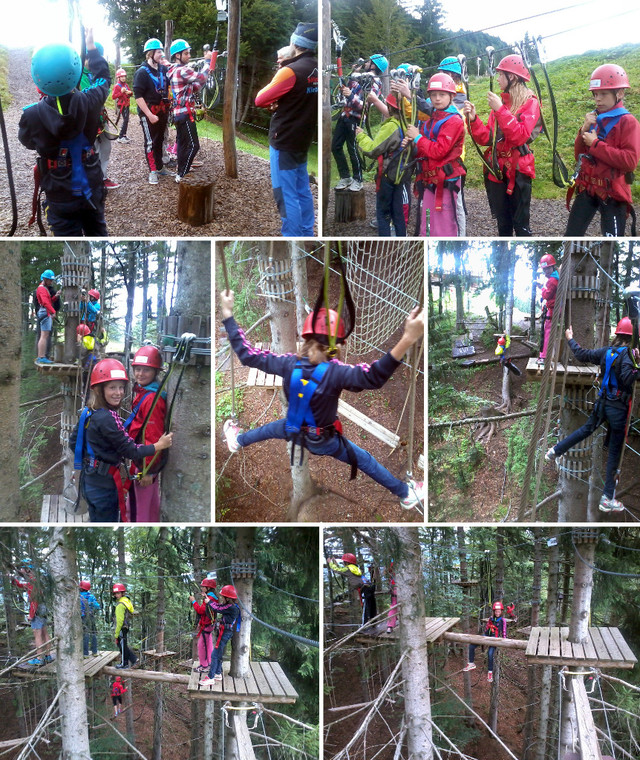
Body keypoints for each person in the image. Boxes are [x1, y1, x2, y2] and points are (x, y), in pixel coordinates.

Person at [220, 290, 424, 510]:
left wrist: (228, 314)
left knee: (268, 430)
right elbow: (373, 376)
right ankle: (405, 493)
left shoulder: (287, 363)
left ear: (306, 336)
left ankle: (237, 440)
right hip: (323, 441)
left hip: (293, 428)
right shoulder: (337, 373)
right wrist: (408, 338)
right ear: (335, 346)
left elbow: (247, 354)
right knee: (364, 460)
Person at [19, 29, 111, 235]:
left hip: (59, 191)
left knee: (67, 237)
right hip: (91, 184)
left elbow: (27, 141)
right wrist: (91, 48)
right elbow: (104, 78)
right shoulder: (91, 100)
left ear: (38, 78)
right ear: (76, 71)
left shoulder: (31, 116)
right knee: (97, 230)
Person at [545, 319, 640, 513]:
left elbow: (582, 355)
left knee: (586, 429)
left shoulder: (607, 351)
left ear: (618, 334)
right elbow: (627, 377)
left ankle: (556, 450)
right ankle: (607, 498)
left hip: (602, 403)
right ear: (633, 339)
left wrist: (571, 339)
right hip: (618, 409)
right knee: (615, 451)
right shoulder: (629, 355)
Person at [69, 358, 173, 522]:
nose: (118, 392)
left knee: (96, 518)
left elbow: (73, 443)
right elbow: (131, 451)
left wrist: (95, 455)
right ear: (99, 389)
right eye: (112, 388)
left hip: (89, 480)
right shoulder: (107, 418)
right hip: (104, 485)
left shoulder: (88, 412)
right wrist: (159, 445)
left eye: (121, 387)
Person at [463, 54, 540, 237]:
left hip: (518, 170)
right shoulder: (502, 103)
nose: (497, 79)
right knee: (503, 224)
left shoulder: (531, 103)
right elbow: (488, 138)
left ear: (511, 77)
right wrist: (473, 119)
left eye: (500, 75)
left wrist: (499, 110)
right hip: (497, 170)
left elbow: (520, 136)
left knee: (521, 225)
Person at [255, 22, 318, 236]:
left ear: (295, 43)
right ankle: (307, 232)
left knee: (285, 193)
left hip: (284, 140)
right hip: (303, 138)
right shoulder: (316, 67)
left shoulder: (290, 71)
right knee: (302, 189)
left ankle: (292, 236)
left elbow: (260, 99)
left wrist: (275, 96)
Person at [565, 64, 640, 237]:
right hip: (588, 187)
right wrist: (583, 130)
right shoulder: (594, 118)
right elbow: (579, 156)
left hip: (613, 192)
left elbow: (630, 162)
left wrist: (596, 145)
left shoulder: (628, 123)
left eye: (604, 94)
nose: (598, 99)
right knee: (571, 236)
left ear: (619, 93)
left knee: (611, 241)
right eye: (595, 94)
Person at [402, 73, 466, 236]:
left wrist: (417, 137)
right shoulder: (433, 118)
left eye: (442, 95)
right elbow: (424, 146)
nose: (437, 99)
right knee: (427, 224)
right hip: (430, 178)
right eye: (433, 95)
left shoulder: (454, 121)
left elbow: (439, 151)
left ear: (451, 96)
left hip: (445, 180)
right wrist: (411, 144)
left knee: (445, 224)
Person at [355, 93, 409, 237]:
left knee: (383, 213)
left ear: (390, 108)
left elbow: (372, 149)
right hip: (400, 173)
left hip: (387, 174)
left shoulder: (391, 126)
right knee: (398, 213)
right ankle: (401, 239)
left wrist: (361, 135)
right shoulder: (405, 123)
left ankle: (386, 238)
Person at [125, 346, 168, 522]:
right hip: (143, 456)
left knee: (137, 510)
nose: (141, 374)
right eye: (138, 369)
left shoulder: (151, 398)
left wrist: (147, 470)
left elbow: (152, 434)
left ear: (155, 371)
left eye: (146, 370)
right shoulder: (145, 391)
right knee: (150, 505)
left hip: (145, 461)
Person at [332, 54, 387, 192]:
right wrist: (353, 74)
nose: (366, 63)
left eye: (369, 61)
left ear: (373, 65)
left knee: (352, 149)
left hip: (355, 118)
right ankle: (345, 176)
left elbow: (365, 106)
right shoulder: (361, 76)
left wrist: (350, 95)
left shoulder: (375, 82)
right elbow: (351, 90)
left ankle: (358, 179)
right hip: (345, 115)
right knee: (336, 146)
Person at [168, 39, 212, 182]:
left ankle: (180, 173)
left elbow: (195, 86)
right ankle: (183, 173)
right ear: (177, 56)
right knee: (194, 145)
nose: (189, 56)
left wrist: (205, 73)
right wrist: (207, 62)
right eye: (186, 53)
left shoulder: (175, 70)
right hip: (185, 114)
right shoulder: (182, 70)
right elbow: (200, 77)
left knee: (182, 145)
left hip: (179, 114)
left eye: (189, 53)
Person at [133, 38, 172, 185]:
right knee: (150, 142)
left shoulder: (163, 69)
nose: (161, 54)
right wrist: (149, 115)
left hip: (162, 111)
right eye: (158, 51)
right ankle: (153, 171)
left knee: (159, 140)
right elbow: (138, 97)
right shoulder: (141, 73)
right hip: (148, 113)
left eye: (161, 51)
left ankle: (160, 167)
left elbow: (172, 83)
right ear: (150, 54)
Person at [12, 560, 52, 666]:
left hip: (37, 609)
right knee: (44, 632)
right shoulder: (36, 580)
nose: (20, 570)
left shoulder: (33, 582)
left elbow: (34, 600)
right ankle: (48, 656)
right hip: (43, 608)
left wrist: (31, 615)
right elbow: (23, 586)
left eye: (22, 568)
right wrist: (13, 580)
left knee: (37, 633)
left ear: (28, 570)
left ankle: (39, 659)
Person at [199, 585, 241, 686]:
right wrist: (207, 599)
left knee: (215, 654)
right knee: (219, 653)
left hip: (225, 632)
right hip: (225, 631)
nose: (222, 598)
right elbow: (219, 607)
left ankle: (211, 677)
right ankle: (218, 673)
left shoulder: (231, 607)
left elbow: (217, 608)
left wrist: (208, 602)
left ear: (228, 598)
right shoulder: (232, 607)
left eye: (223, 597)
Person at [463, 600, 508, 683]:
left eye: (499, 611)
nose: (497, 612)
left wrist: (504, 639)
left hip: (495, 639)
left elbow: (504, 631)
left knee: (490, 654)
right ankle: (471, 663)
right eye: (496, 611)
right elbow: (487, 628)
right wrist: (484, 637)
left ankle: (490, 672)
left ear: (501, 611)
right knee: (472, 645)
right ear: (494, 611)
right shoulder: (491, 619)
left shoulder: (503, 621)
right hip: (487, 635)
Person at [189, 576, 218, 672]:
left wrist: (193, 601)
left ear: (208, 588)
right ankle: (208, 663)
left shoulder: (209, 598)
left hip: (207, 625)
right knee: (208, 644)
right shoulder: (211, 597)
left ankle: (205, 666)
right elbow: (206, 613)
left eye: (203, 586)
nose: (201, 588)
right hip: (207, 624)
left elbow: (201, 611)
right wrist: (200, 623)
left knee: (202, 645)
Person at [536, 254, 559, 364]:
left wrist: (542, 288)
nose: (546, 272)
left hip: (553, 308)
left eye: (548, 269)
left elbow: (547, 295)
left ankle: (544, 357)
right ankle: (545, 355)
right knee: (547, 331)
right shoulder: (555, 278)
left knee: (547, 332)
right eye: (544, 270)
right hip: (553, 307)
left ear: (552, 267)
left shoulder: (552, 280)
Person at [35, 269, 61, 364]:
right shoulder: (41, 288)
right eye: (50, 280)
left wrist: (56, 296)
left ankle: (41, 356)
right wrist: (53, 311)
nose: (51, 282)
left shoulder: (44, 288)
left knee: (44, 336)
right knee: (44, 336)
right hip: (45, 311)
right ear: (45, 279)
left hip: (45, 311)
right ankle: (41, 356)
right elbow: (45, 303)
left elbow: (48, 300)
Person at [113, 583, 137, 669]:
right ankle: (132, 660)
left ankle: (125, 663)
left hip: (122, 627)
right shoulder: (127, 602)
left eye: (118, 593)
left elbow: (119, 621)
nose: (116, 595)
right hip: (126, 627)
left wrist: (116, 633)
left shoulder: (120, 605)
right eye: (115, 593)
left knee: (122, 646)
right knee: (124, 645)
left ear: (122, 593)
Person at [79, 580, 100, 656]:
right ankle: (94, 652)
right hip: (91, 616)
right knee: (93, 633)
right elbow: (97, 606)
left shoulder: (78, 596)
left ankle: (85, 653)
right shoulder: (91, 596)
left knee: (85, 634)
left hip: (82, 617)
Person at [112, 69, 133, 143]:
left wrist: (130, 93)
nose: (123, 78)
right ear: (118, 78)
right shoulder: (117, 86)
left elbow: (130, 93)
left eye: (124, 76)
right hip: (122, 105)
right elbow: (113, 96)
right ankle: (121, 136)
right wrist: (121, 92)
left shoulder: (126, 85)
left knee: (126, 120)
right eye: (122, 77)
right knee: (125, 120)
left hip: (126, 104)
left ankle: (123, 135)